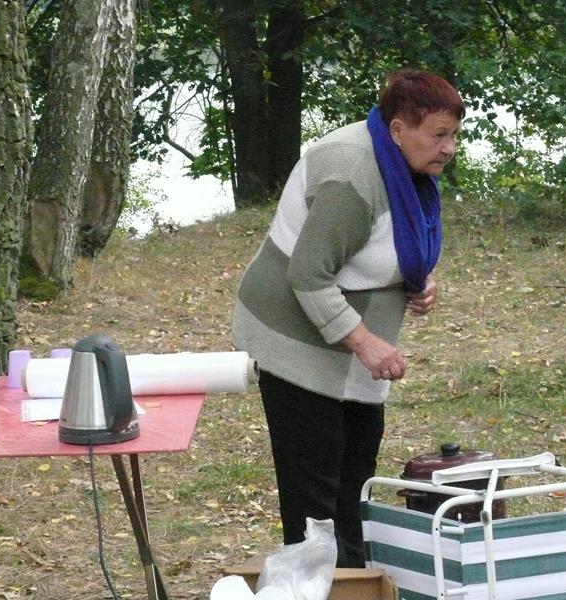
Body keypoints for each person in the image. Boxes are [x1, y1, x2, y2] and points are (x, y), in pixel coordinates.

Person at [231, 69, 464, 567]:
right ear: (398, 129)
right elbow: (308, 275)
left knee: (355, 478)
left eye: (454, 136)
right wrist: (364, 342)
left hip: (350, 336)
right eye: (438, 135)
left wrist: (417, 281)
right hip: (293, 332)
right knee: (315, 492)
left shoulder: (405, 166)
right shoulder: (353, 175)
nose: (448, 148)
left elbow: (390, 244)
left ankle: (352, 581)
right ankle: (313, 582)